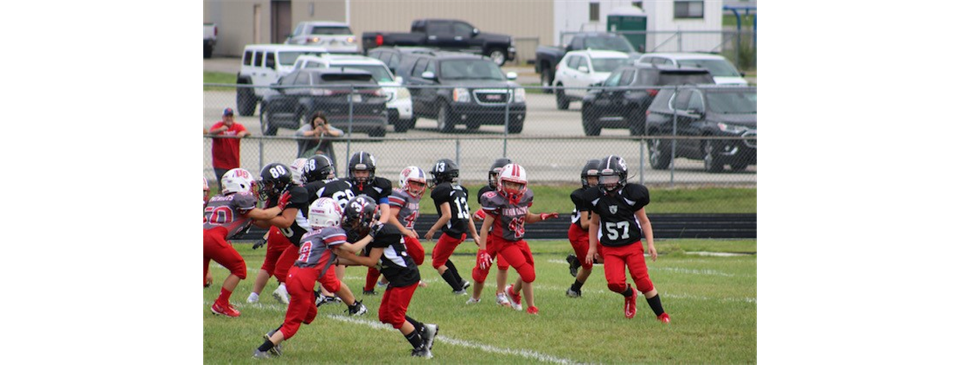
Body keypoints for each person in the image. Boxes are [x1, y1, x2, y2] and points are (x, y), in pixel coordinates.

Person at [253, 197, 372, 358]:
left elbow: (332, 258)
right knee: (292, 324)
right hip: (303, 280)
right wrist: (371, 236)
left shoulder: (308, 235)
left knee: (310, 314)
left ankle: (275, 334)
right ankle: (262, 349)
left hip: (294, 274)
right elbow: (352, 248)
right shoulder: (329, 232)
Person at [333, 195, 439, 359]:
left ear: (367, 217)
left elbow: (371, 261)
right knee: (385, 315)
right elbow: (362, 259)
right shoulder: (370, 232)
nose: (352, 226)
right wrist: (338, 260)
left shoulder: (382, 231)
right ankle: (425, 330)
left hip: (405, 276)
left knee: (396, 317)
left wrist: (343, 255)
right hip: (395, 276)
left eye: (354, 221)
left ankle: (422, 349)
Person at [585, 155, 670, 323]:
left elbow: (644, 221)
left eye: (613, 177)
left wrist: (650, 244)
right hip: (610, 248)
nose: (609, 182)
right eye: (605, 178)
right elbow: (594, 223)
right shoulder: (597, 198)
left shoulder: (631, 195)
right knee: (614, 284)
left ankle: (661, 315)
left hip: (632, 245)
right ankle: (630, 295)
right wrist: (592, 247)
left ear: (622, 177)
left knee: (643, 282)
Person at [470, 163, 559, 314]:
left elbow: (528, 217)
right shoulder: (495, 200)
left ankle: (516, 294)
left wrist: (542, 216)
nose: (512, 188)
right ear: (501, 183)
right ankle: (525, 304)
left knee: (530, 271)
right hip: (503, 242)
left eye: (516, 185)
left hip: (518, 241)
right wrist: (483, 251)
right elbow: (485, 228)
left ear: (523, 186)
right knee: (526, 273)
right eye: (508, 183)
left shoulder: (524, 198)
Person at [203, 168, 288, 317]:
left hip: (206, 235)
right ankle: (221, 304)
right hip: (213, 238)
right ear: (241, 184)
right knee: (239, 268)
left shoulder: (217, 198)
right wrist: (281, 206)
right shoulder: (240, 198)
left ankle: (221, 304)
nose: (252, 189)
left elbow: (255, 220)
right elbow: (264, 214)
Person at [247, 159, 308, 304]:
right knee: (280, 269)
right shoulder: (277, 197)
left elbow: (287, 221)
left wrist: (263, 216)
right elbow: (265, 222)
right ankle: (298, 295)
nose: (266, 188)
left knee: (326, 278)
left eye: (268, 184)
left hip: (310, 239)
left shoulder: (296, 191)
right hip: (298, 242)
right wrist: (251, 217)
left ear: (279, 183)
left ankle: (352, 305)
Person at [424, 159, 481, 295]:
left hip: (452, 232)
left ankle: (458, 289)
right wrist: (474, 234)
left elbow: (447, 215)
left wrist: (432, 230)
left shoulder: (441, 190)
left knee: (437, 263)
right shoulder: (460, 190)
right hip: (461, 231)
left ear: (441, 176)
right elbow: (467, 214)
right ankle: (460, 281)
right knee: (436, 254)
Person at [346, 151, 395, 295]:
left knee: (377, 259)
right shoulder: (346, 185)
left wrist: (378, 226)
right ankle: (329, 288)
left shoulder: (380, 185)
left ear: (371, 172)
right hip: (351, 227)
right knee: (340, 254)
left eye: (364, 172)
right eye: (357, 172)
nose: (360, 176)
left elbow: (386, 211)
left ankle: (371, 288)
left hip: (372, 227)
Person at [471, 158, 514, 306]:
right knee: (480, 270)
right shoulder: (486, 193)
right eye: (494, 175)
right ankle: (475, 298)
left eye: (499, 175)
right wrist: (478, 215)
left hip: (505, 236)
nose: (496, 178)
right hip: (489, 236)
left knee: (503, 265)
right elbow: (482, 213)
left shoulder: (515, 194)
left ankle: (501, 294)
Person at [566, 159, 602, 298]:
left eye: (596, 178)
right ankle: (574, 290)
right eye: (590, 178)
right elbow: (584, 223)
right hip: (579, 233)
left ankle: (576, 262)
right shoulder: (582, 196)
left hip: (592, 232)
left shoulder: (602, 194)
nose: (593, 182)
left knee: (608, 254)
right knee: (588, 266)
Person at [208, 107, 250, 188]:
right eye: (227, 116)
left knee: (234, 186)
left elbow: (247, 132)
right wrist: (220, 129)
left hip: (234, 163)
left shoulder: (237, 126)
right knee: (223, 187)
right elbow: (210, 132)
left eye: (231, 116)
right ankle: (221, 200)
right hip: (220, 164)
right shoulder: (218, 126)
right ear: (223, 117)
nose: (229, 118)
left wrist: (243, 133)